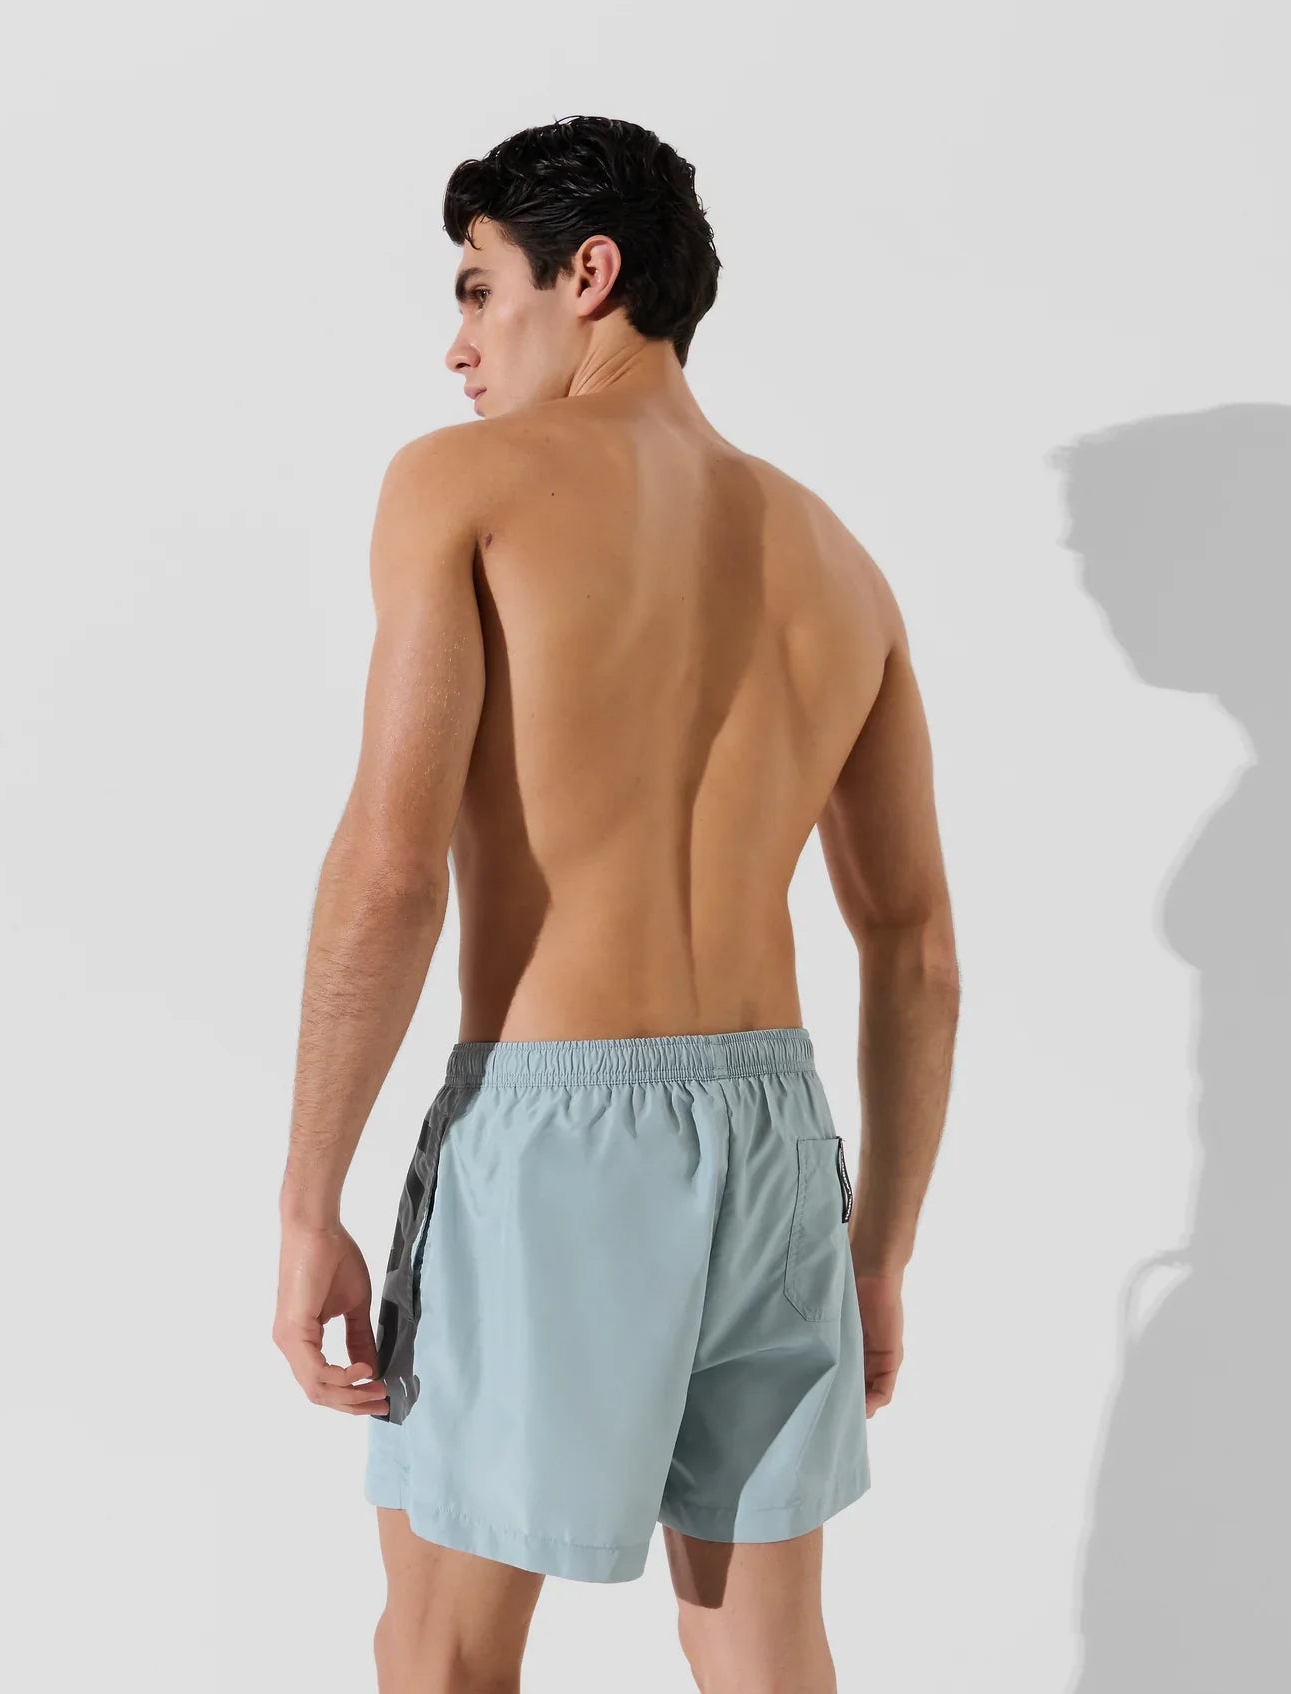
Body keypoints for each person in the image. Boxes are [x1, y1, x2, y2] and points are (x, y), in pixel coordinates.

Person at [273, 114, 961, 1694]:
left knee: (442, 1648)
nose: (457, 347)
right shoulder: (837, 557)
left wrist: (309, 1202)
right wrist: (877, 1249)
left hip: (556, 1134)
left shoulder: (461, 486)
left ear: (588, 274)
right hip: (777, 1142)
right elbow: (917, 948)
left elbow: (391, 870)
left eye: (477, 289)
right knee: (763, 1649)